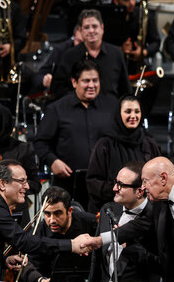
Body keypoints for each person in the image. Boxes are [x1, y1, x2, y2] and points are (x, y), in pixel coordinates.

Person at [34, 60, 118, 207]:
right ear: (74, 82)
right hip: (68, 184)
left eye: (95, 80)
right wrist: (52, 161)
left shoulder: (112, 106)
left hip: (105, 185)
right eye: (86, 81)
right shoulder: (57, 109)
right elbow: (40, 142)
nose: (91, 85)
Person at [86, 94, 161, 212]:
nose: (133, 116)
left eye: (137, 111)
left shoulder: (150, 144)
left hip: (145, 211)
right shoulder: (105, 144)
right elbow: (93, 183)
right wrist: (124, 193)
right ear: (118, 114)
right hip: (111, 209)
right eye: (128, 111)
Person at [52, 9, 130, 99]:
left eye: (94, 26)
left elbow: (125, 90)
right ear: (81, 31)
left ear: (102, 28)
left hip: (111, 110)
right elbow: (57, 88)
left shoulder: (116, 54)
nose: (91, 31)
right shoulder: (69, 56)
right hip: (78, 110)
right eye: (86, 27)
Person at [112, 0, 161, 75]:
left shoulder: (144, 15)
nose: (132, 3)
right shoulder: (109, 18)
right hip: (113, 64)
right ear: (116, 1)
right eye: (126, 0)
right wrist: (120, 49)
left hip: (137, 65)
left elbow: (156, 42)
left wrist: (143, 52)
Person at [30, 25, 83, 92]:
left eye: (83, 43)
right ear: (73, 38)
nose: (80, 47)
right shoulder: (61, 50)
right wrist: (45, 80)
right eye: (79, 41)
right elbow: (38, 76)